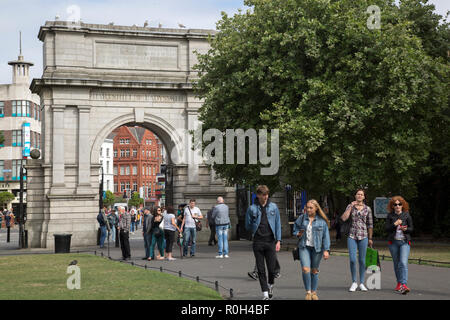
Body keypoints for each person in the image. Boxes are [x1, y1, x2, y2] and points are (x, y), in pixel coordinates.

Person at [245, 185, 282, 300]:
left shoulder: (273, 207)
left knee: (272, 269)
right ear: (258, 195)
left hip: (270, 241)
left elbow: (277, 224)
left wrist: (278, 241)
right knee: (261, 269)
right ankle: (265, 293)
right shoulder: (252, 209)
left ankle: (270, 285)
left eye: (267, 194)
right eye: (263, 195)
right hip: (258, 242)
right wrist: (254, 227)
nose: (265, 197)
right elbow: (247, 225)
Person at [293, 200, 330, 300]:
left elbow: (326, 236)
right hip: (304, 247)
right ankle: (308, 292)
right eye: (307, 207)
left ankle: (314, 292)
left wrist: (326, 250)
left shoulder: (322, 221)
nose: (308, 210)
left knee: (314, 270)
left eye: (311, 208)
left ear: (316, 208)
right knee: (305, 269)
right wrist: (297, 233)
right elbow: (295, 228)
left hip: (317, 249)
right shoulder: (302, 218)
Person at [340, 189, 373, 292]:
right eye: (358, 194)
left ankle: (362, 282)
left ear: (364, 197)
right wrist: (350, 207)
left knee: (362, 260)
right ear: (355, 196)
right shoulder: (350, 207)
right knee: (353, 259)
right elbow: (343, 218)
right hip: (352, 236)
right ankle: (354, 282)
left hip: (363, 236)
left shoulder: (368, 209)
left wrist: (370, 238)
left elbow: (370, 224)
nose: (359, 196)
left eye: (361, 194)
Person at [385, 196, 414, 295]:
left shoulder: (407, 215)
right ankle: (399, 283)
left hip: (404, 242)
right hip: (393, 243)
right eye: (395, 204)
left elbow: (411, 229)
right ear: (392, 206)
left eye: (399, 204)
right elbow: (386, 229)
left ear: (403, 205)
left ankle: (403, 284)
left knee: (403, 262)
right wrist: (395, 224)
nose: (397, 206)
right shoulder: (390, 216)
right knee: (397, 264)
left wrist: (406, 229)